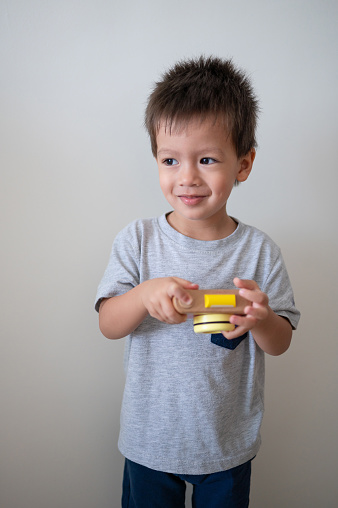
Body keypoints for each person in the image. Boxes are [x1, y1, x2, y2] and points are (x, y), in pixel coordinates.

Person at [95, 56, 300, 507]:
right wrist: (144, 295)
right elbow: (108, 322)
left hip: (226, 446)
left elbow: (280, 341)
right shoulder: (139, 239)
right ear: (156, 160)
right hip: (149, 441)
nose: (186, 177)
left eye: (207, 159)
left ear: (243, 165)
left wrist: (261, 318)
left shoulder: (260, 251)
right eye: (170, 160)